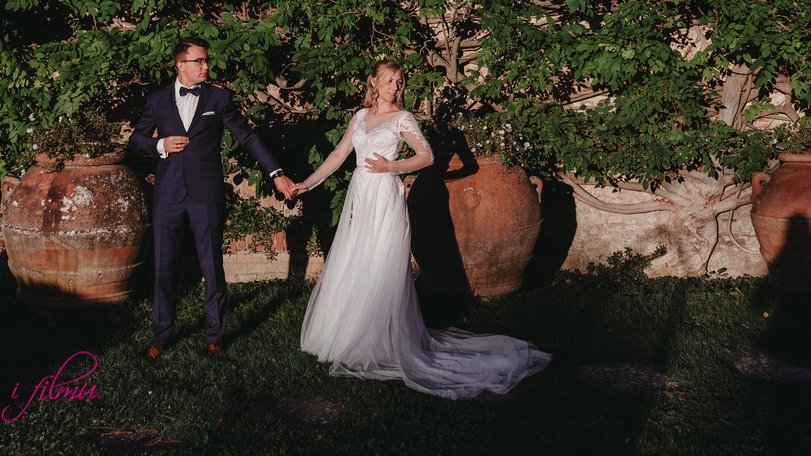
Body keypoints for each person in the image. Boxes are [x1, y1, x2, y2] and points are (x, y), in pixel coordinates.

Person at [293, 60, 552, 398]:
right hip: (360, 196)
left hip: (384, 196)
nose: (395, 87)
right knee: (356, 259)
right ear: (373, 82)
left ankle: (378, 339)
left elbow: (426, 156)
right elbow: (339, 154)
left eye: (399, 82)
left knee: (381, 263)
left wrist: (392, 166)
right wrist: (307, 183)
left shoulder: (403, 118)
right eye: (389, 81)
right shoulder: (360, 116)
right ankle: (345, 333)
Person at [129, 37, 296, 360]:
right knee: (163, 267)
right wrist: (160, 145)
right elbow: (136, 141)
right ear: (180, 65)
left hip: (206, 194)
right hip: (168, 195)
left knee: (212, 266)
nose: (206, 66)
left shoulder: (219, 98)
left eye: (206, 60)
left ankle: (215, 336)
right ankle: (161, 335)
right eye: (199, 61)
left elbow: (247, 137)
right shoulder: (157, 100)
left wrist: (276, 173)